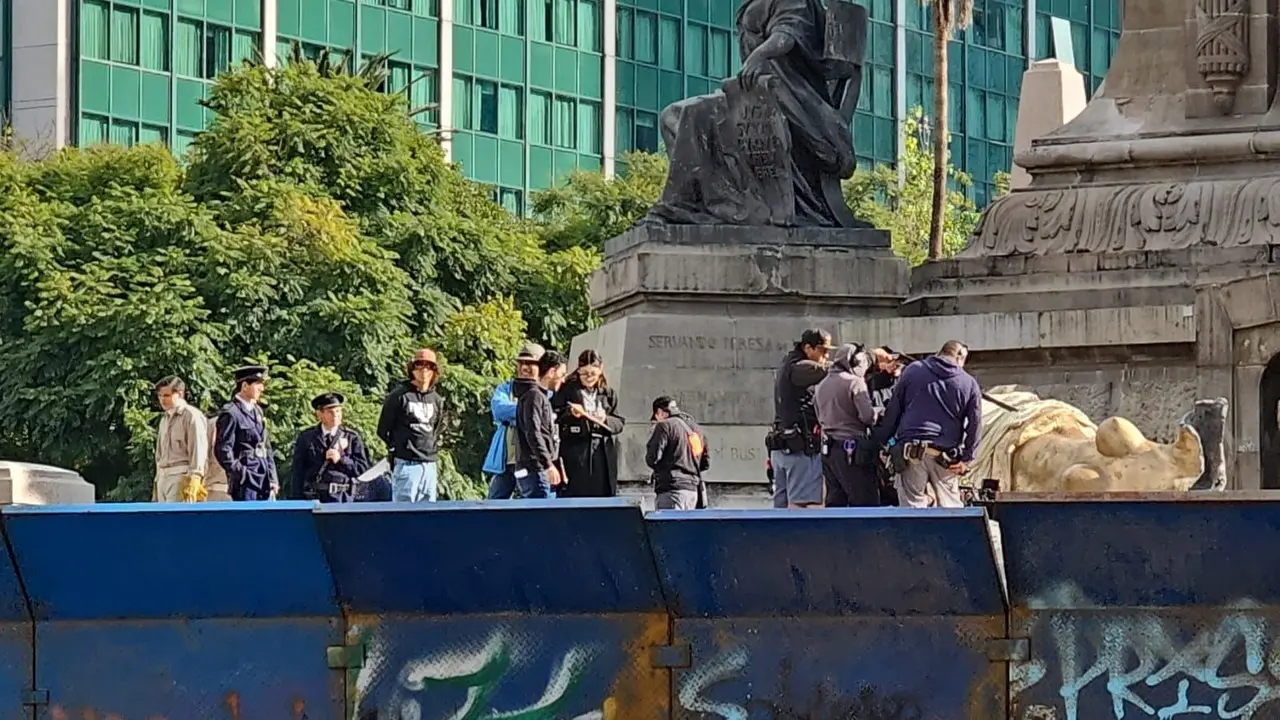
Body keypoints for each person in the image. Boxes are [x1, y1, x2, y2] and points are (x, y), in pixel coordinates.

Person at [872, 340, 983, 509]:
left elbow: (893, 411)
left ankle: (916, 536)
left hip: (911, 454)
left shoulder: (913, 371)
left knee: (912, 511)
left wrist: (883, 442)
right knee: (951, 510)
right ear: (959, 357)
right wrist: (967, 459)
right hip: (945, 457)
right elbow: (975, 425)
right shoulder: (968, 383)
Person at [766, 328, 832, 509]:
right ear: (808, 348)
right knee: (802, 507)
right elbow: (829, 370)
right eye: (822, 351)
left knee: (781, 508)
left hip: (783, 446)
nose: (826, 356)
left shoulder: (787, 363)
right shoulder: (800, 367)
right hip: (800, 449)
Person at [553, 350, 626, 498]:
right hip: (576, 449)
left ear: (601, 370)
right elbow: (555, 414)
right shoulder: (567, 389)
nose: (588, 377)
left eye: (593, 373)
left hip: (602, 451)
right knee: (577, 493)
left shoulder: (608, 393)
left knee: (601, 495)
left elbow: (619, 422)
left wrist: (605, 418)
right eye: (584, 373)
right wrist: (571, 413)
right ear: (578, 371)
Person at [814, 344, 879, 507]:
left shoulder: (821, 385)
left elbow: (818, 415)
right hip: (853, 450)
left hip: (828, 451)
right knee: (865, 502)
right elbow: (867, 417)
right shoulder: (855, 383)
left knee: (835, 502)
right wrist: (878, 411)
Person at [378, 348, 445, 503]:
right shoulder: (399, 396)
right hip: (405, 463)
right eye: (419, 365)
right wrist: (397, 448)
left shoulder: (436, 399)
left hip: (429, 464)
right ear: (412, 369)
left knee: (428, 513)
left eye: (429, 366)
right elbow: (383, 429)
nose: (424, 369)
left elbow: (436, 428)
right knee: (403, 512)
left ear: (434, 371)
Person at [483, 343, 545, 499]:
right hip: (505, 462)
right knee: (494, 505)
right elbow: (499, 410)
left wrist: (516, 415)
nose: (525, 367)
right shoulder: (505, 388)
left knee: (533, 504)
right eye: (521, 363)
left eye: (531, 363)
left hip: (532, 462)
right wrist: (528, 413)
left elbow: (543, 419)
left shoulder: (545, 392)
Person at [290, 392, 372, 503]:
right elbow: (298, 472)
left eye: (338, 411)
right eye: (330, 412)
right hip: (315, 498)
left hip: (344, 498)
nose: (336, 416)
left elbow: (363, 469)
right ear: (319, 414)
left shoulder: (352, 437)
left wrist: (342, 459)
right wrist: (297, 502)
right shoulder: (307, 438)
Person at [213, 365, 279, 501]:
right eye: (258, 384)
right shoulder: (231, 413)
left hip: (263, 477)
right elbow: (223, 450)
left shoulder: (257, 411)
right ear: (244, 386)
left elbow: (266, 447)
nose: (262, 388)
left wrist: (273, 478)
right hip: (245, 481)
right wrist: (241, 474)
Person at [514, 350, 569, 499]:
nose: (563, 380)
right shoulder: (534, 396)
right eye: (562, 374)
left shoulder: (537, 396)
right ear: (552, 372)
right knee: (541, 518)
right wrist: (548, 465)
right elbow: (533, 432)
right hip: (535, 471)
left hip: (537, 470)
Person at [646, 396, 711, 510]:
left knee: (669, 527)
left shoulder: (664, 425)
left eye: (656, 417)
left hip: (671, 490)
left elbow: (653, 458)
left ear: (660, 412)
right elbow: (705, 463)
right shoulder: (696, 429)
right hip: (692, 492)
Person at [152, 376, 209, 503]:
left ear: (180, 393)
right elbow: (159, 454)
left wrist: (195, 476)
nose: (162, 400)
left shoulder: (191, 415)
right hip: (163, 476)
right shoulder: (164, 418)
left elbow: (198, 449)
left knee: (174, 520)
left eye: (166, 395)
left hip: (181, 474)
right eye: (160, 396)